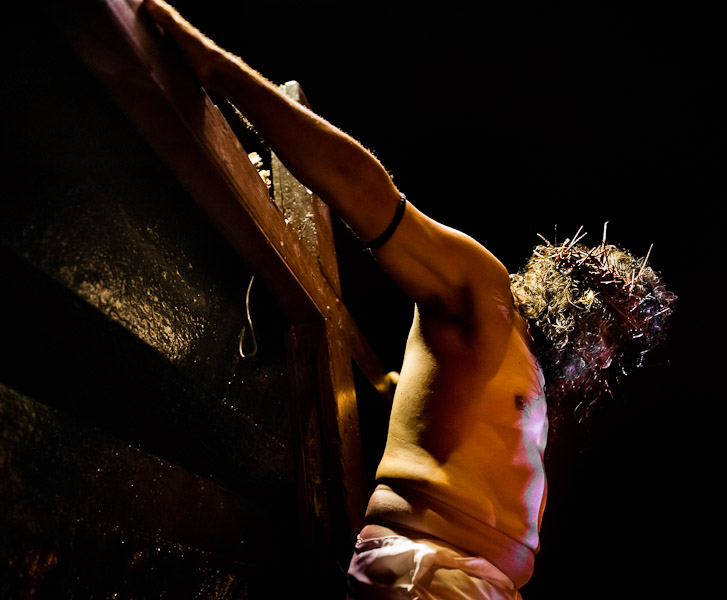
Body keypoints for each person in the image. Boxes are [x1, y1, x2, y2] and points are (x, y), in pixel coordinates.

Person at [142, 2, 675, 598]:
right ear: (573, 290)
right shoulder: (484, 292)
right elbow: (366, 195)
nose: (605, 355)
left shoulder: (524, 378)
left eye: (620, 346)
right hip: (429, 569)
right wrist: (217, 68)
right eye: (610, 325)